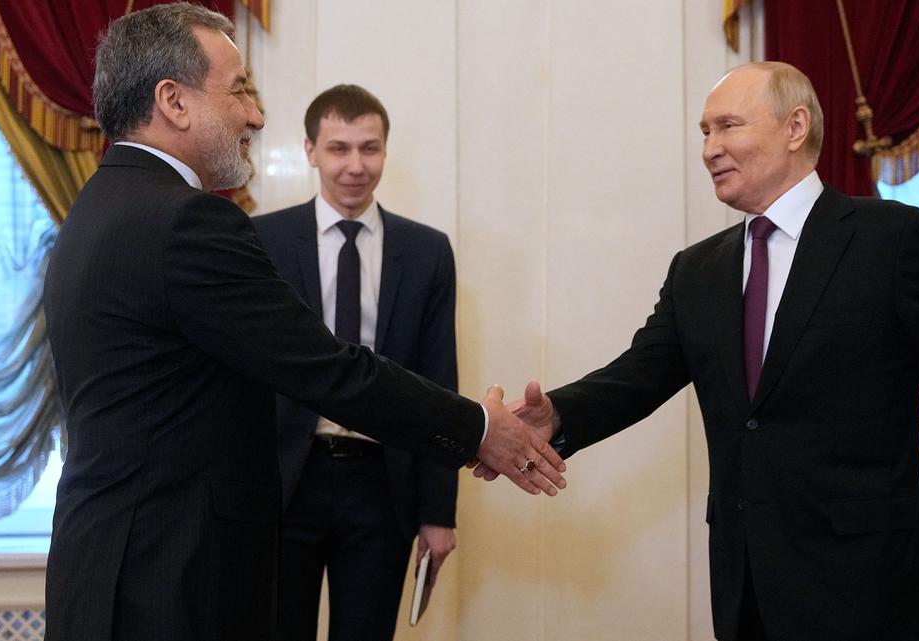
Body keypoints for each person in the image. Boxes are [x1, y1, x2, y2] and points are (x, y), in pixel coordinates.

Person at [482, 61, 919, 641]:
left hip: (868, 587)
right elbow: (638, 377)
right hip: (749, 591)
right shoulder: (698, 271)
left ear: (796, 127)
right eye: (704, 131)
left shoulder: (894, 241)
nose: (709, 148)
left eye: (728, 126)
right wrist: (556, 415)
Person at [42, 5, 565, 641]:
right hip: (168, 576)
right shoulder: (187, 222)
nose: (255, 115)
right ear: (173, 102)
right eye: (237, 90)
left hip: (106, 565)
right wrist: (480, 429)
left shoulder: (99, 206)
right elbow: (328, 369)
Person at [251, 85, 459, 641]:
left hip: (382, 485)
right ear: (310, 151)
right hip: (283, 483)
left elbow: (441, 380)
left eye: (369, 148)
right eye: (339, 148)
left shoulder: (427, 251)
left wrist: (440, 512)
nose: (355, 166)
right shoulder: (261, 241)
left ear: (386, 152)